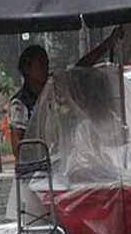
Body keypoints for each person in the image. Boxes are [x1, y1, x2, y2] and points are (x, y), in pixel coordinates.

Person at [9, 27, 124, 157]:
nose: (45, 68)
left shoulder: (55, 86)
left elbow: (80, 67)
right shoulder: (20, 103)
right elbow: (17, 147)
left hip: (64, 157)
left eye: (46, 63)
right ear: (27, 69)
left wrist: (109, 42)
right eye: (40, 65)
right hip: (40, 164)